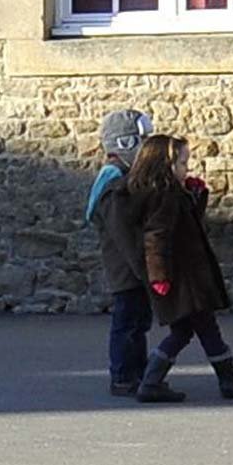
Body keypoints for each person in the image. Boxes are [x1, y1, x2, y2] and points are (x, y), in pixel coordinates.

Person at [123, 135, 233, 403]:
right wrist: (158, 276)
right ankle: (227, 380)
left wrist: (196, 197)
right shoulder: (165, 196)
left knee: (185, 331)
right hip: (184, 279)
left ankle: (152, 380)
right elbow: (156, 236)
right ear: (165, 166)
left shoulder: (170, 194)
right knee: (205, 329)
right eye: (181, 163)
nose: (186, 168)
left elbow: (188, 225)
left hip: (183, 278)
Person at [87, 109, 156, 396]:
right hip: (125, 267)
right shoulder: (114, 182)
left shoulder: (124, 177)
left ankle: (136, 371)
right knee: (127, 323)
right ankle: (123, 376)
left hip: (130, 266)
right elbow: (123, 231)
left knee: (138, 322)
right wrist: (141, 266)